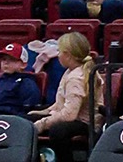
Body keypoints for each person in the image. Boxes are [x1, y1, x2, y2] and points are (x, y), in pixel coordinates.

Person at [29, 33, 98, 162]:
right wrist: (43, 113)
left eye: (59, 52)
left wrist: (43, 123)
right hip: (74, 116)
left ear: (68, 55)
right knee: (28, 119)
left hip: (85, 122)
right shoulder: (70, 71)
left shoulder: (76, 77)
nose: (58, 55)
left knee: (57, 130)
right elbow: (61, 103)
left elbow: (69, 115)